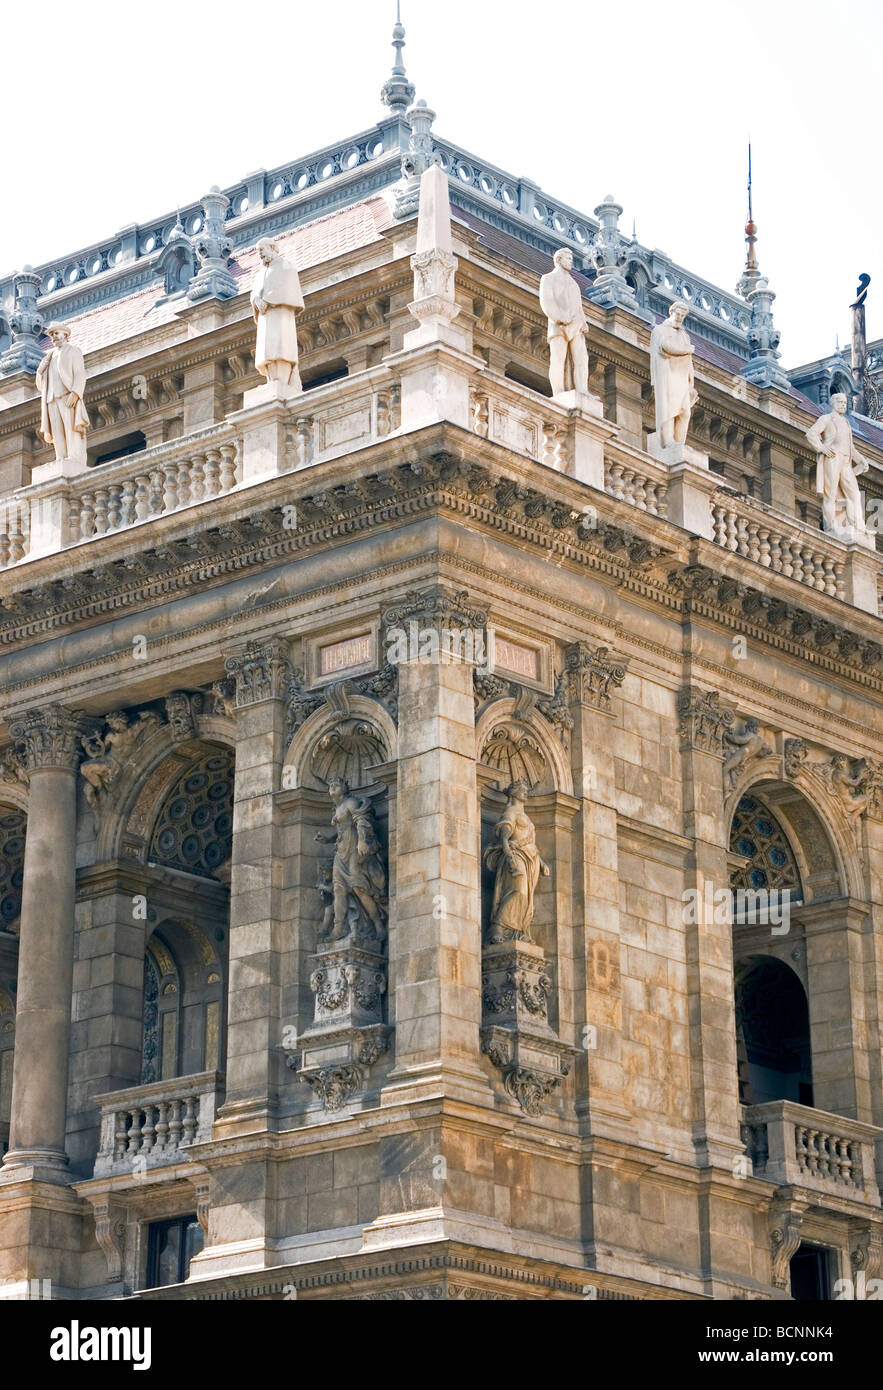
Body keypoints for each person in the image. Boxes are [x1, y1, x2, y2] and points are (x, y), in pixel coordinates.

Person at [315, 777, 387, 940]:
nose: (332, 787)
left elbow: (361, 820)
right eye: (330, 785)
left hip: (354, 851)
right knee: (338, 890)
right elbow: (341, 831)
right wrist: (327, 839)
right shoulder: (337, 808)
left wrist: (362, 840)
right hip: (340, 854)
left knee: (359, 888)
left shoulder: (350, 802)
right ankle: (338, 928)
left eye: (336, 785)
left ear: (345, 788)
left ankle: (378, 924)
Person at [484, 780, 549, 943]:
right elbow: (504, 838)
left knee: (526, 897)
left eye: (526, 790)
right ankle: (497, 927)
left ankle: (517, 930)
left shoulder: (524, 815)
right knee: (518, 891)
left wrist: (541, 863)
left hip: (531, 859)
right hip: (516, 857)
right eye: (522, 790)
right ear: (514, 793)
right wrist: (510, 858)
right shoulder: (510, 812)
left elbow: (531, 843)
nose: (526, 793)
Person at [805, 393, 870, 536]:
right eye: (840, 402)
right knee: (831, 494)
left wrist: (861, 460)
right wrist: (821, 448)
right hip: (833, 458)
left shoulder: (846, 423)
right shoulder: (826, 419)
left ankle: (858, 527)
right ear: (833, 403)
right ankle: (830, 527)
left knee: (855, 494)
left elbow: (851, 447)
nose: (843, 405)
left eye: (845, 402)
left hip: (846, 461)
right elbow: (811, 434)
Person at [250, 238, 304, 389]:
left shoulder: (286, 266)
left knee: (280, 348)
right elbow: (254, 292)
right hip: (266, 317)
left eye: (262, 249)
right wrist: (256, 300)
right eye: (258, 251)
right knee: (267, 352)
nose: (259, 254)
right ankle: (271, 380)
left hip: (280, 316)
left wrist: (266, 300)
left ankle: (282, 381)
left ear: (272, 248)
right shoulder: (260, 273)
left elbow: (287, 288)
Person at [35, 322, 89, 463]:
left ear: (65, 335)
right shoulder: (49, 356)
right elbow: (41, 384)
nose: (54, 337)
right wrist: (40, 371)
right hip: (51, 399)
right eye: (52, 335)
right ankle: (61, 457)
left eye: (56, 333)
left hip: (66, 396)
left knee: (71, 428)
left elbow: (79, 373)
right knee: (57, 430)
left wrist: (76, 392)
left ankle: (74, 456)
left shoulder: (73, 351)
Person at [539, 247, 589, 396]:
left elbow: (578, 306)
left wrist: (582, 322)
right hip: (558, 326)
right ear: (559, 260)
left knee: (582, 359)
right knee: (558, 360)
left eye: (571, 259)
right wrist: (560, 318)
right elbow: (547, 302)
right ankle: (558, 392)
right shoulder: (548, 278)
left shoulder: (574, 284)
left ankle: (582, 390)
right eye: (568, 259)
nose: (570, 262)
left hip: (576, 325)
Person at [650, 301, 698, 447]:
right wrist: (687, 349)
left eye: (682, 316)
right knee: (669, 410)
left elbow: (689, 362)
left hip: (682, 378)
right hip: (667, 376)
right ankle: (669, 442)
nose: (679, 318)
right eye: (678, 314)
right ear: (671, 312)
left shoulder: (684, 336)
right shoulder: (659, 330)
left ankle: (679, 444)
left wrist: (691, 383)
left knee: (685, 413)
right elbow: (666, 347)